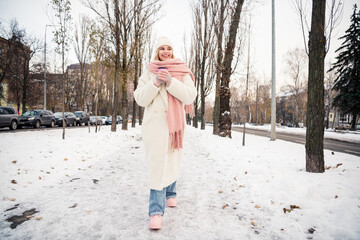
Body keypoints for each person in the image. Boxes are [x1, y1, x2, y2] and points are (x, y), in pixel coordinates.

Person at [134, 36, 197, 230]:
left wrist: (170, 81)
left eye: (169, 48)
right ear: (157, 51)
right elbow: (140, 99)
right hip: (154, 127)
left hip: (174, 127)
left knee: (171, 160)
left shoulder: (182, 70)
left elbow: (190, 95)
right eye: (162, 48)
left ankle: (171, 194)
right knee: (157, 166)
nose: (166, 51)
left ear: (173, 51)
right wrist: (154, 83)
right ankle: (156, 212)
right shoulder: (148, 71)